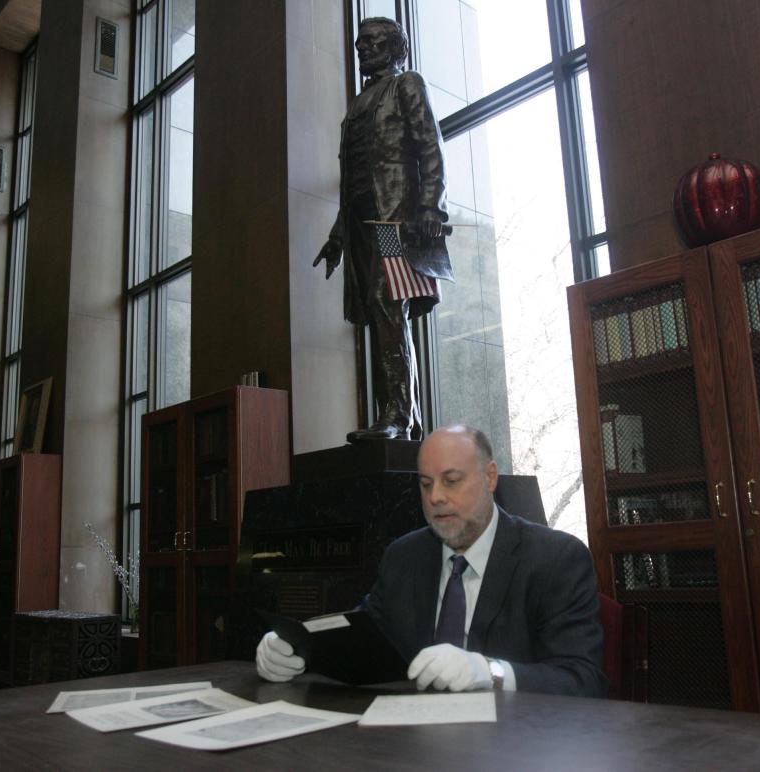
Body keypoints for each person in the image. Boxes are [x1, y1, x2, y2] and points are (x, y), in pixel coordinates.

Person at [256, 425, 608, 697]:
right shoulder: (404, 556)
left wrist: (489, 672)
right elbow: (364, 638)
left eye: (451, 481)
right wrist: (296, 649)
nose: (436, 497)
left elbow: (582, 679)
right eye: (425, 484)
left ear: (489, 477)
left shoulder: (556, 558)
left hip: (515, 748)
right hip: (411, 746)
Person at [313, 17, 452, 442]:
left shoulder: (406, 84)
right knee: (377, 313)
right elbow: (352, 178)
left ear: (395, 47)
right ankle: (400, 417)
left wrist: (432, 206)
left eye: (373, 42)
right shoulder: (357, 104)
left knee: (387, 302)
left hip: (396, 219)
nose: (364, 49)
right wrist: (338, 234)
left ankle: (398, 417)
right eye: (359, 44)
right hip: (360, 226)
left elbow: (430, 144)